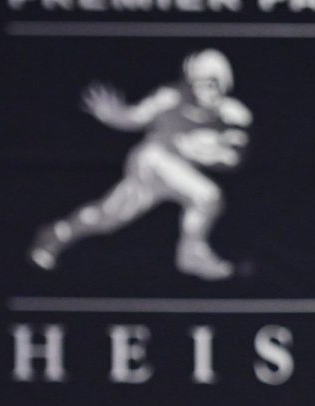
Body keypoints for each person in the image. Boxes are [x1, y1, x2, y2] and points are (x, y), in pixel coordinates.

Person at [29, 49, 251, 281]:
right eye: (199, 83)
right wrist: (112, 115)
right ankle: (191, 254)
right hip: (152, 161)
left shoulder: (235, 116)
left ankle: (56, 234)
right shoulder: (170, 97)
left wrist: (206, 153)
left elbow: (233, 160)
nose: (205, 90)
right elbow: (134, 117)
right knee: (207, 196)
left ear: (226, 83)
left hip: (173, 175)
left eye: (212, 83)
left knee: (107, 218)